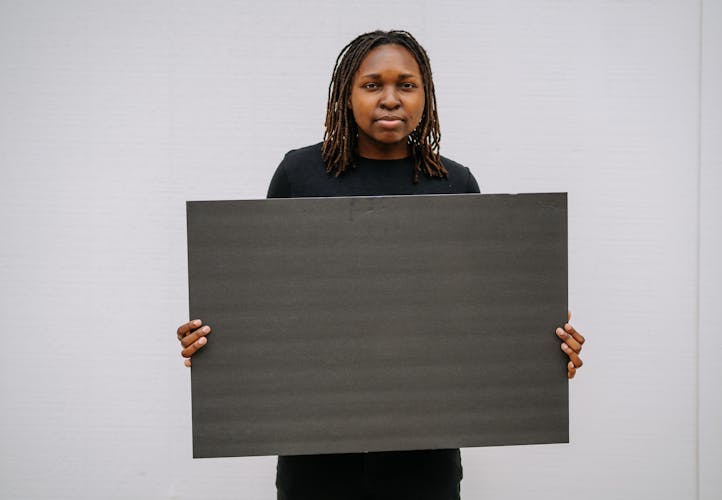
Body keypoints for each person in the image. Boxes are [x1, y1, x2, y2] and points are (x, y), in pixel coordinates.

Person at [176, 30, 586, 500]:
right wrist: (213, 344)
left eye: (406, 85)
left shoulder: (454, 182)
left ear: (425, 96)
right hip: (314, 454)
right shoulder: (300, 175)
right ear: (346, 96)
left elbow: (477, 316)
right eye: (373, 85)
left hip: (425, 455)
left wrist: (543, 349)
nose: (390, 99)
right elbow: (265, 302)